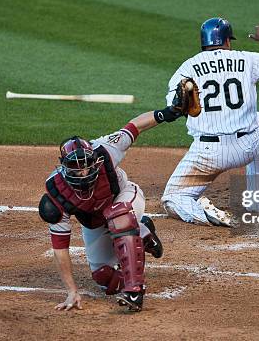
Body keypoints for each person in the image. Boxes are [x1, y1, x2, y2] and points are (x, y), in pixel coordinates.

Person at [160, 17, 259, 226]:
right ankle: (257, 200)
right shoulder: (247, 60)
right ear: (228, 41)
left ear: (203, 42)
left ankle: (205, 212)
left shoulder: (187, 68)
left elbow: (177, 108)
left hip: (208, 155)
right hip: (246, 146)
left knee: (173, 199)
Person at [38, 110, 167, 312]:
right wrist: (71, 291)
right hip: (95, 221)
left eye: (87, 166)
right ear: (64, 167)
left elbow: (135, 126)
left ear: (94, 161)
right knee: (105, 278)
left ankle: (135, 290)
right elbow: (60, 248)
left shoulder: (106, 149)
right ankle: (143, 233)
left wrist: (168, 112)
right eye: (75, 167)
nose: (82, 172)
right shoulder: (57, 192)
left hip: (125, 198)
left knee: (118, 217)